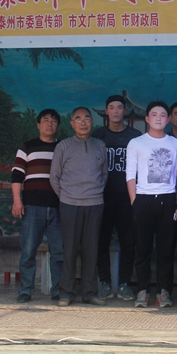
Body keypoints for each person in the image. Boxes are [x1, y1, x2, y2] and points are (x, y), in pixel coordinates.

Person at [126, 101, 177, 308]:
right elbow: (130, 175)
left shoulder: (175, 144)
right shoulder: (136, 143)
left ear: (168, 120)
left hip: (168, 198)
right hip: (143, 198)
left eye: (162, 115)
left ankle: (163, 292)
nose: (158, 118)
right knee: (142, 248)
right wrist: (135, 201)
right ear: (146, 119)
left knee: (165, 249)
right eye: (154, 114)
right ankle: (142, 290)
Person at [49, 107, 109, 306]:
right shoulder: (63, 146)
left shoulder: (100, 146)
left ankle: (90, 293)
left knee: (92, 249)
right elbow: (54, 178)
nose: (83, 123)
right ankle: (66, 293)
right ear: (71, 123)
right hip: (70, 204)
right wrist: (67, 197)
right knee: (70, 249)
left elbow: (104, 175)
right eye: (78, 119)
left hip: (95, 204)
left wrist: (94, 193)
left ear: (92, 122)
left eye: (87, 118)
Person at [91, 95, 142, 301]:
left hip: (127, 197)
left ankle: (124, 284)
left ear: (124, 111)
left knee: (128, 241)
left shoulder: (135, 136)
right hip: (101, 196)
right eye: (111, 107)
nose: (115, 111)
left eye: (119, 107)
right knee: (101, 240)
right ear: (106, 111)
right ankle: (104, 282)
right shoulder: (98, 136)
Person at [11, 108, 64, 303]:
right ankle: (26, 290)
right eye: (45, 120)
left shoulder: (63, 147)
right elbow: (17, 175)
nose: (50, 124)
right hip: (32, 206)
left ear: (58, 125)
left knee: (59, 252)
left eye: (54, 121)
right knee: (28, 251)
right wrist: (17, 200)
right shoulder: (27, 147)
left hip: (58, 207)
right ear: (38, 125)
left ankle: (57, 290)